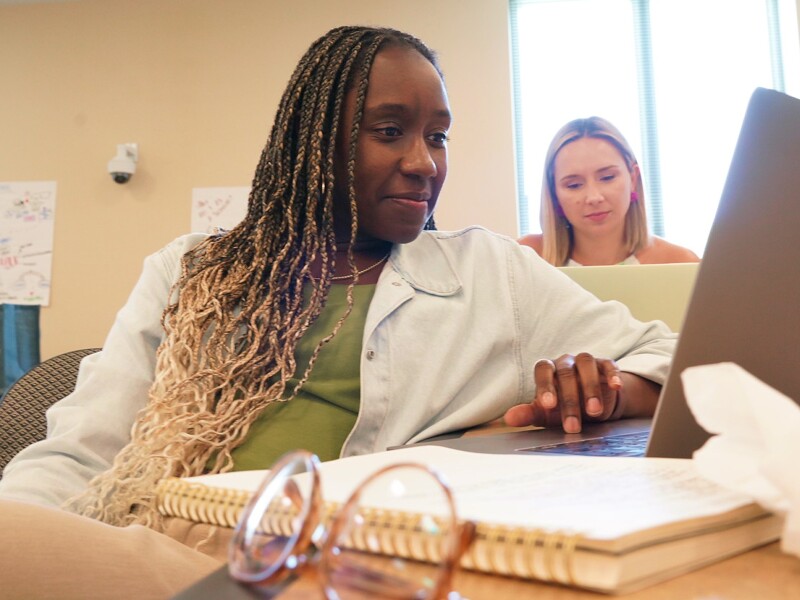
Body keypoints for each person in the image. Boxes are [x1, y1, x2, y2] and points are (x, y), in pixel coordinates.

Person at [0, 26, 676, 598]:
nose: (423, 163)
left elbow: (674, 357)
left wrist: (607, 391)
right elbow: (80, 450)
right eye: (391, 132)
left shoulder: (487, 273)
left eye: (437, 138)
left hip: (314, 567)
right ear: (314, 142)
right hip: (165, 537)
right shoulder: (192, 271)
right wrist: (32, 531)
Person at [518, 116, 700, 266]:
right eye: (574, 185)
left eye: (607, 178)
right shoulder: (525, 259)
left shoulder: (679, 264)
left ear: (633, 178)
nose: (594, 197)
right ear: (554, 193)